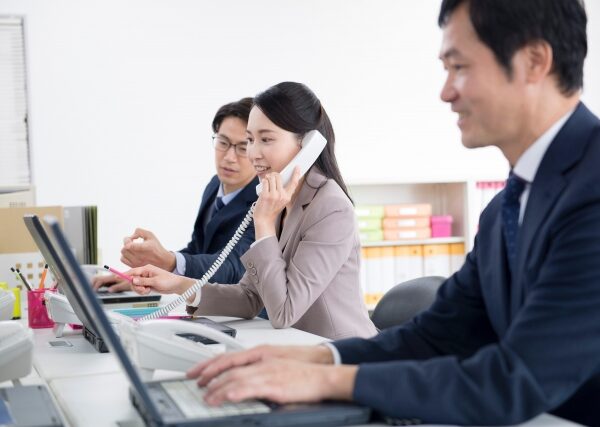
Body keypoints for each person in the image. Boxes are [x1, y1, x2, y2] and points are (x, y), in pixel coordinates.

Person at [173, 1, 600, 425]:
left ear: (534, 62)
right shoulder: (507, 206)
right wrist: (319, 357)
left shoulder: (591, 192)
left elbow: (514, 380)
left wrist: (326, 381)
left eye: (460, 67)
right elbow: (435, 336)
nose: (446, 91)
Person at [128, 82, 377, 340]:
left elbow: (284, 312)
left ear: (308, 145)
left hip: (341, 353)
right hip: (295, 348)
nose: (253, 153)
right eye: (251, 139)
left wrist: (265, 224)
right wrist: (176, 284)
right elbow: (249, 298)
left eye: (266, 139)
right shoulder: (279, 195)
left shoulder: (331, 208)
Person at [93, 98, 259, 291]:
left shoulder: (263, 202)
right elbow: (198, 249)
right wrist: (147, 272)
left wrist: (169, 261)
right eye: (223, 142)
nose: (229, 157)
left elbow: (233, 268)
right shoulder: (215, 185)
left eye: (242, 147)